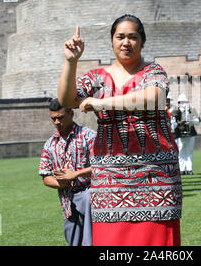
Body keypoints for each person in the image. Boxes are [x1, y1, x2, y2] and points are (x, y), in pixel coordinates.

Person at [57, 14, 182, 246]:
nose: (126, 42)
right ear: (112, 41)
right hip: (109, 176)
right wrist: (71, 62)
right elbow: (67, 99)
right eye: (120, 37)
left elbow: (153, 97)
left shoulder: (153, 71)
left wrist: (102, 103)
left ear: (142, 42)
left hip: (155, 175)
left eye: (132, 37)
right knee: (112, 243)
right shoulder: (98, 77)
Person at [39, 98, 96, 246]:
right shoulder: (50, 144)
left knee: (89, 241)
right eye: (53, 119)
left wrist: (75, 174)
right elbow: (45, 177)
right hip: (67, 201)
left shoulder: (87, 136)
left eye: (60, 118)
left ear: (71, 113)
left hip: (89, 195)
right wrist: (60, 183)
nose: (57, 122)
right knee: (73, 240)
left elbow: (101, 166)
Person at [171, 93, 201, 175]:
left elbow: (198, 120)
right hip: (179, 134)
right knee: (181, 152)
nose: (183, 104)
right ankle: (182, 169)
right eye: (181, 102)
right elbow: (172, 121)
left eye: (184, 102)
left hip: (190, 133)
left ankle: (189, 169)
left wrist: (191, 122)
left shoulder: (192, 109)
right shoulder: (175, 110)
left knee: (189, 151)